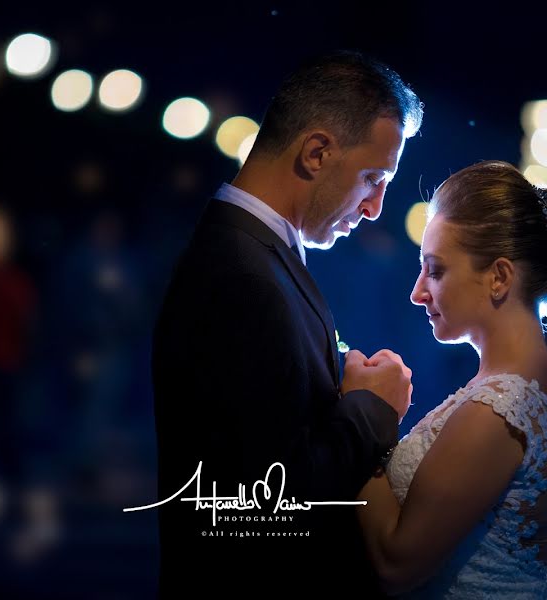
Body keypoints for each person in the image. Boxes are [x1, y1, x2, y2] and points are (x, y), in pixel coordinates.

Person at [151, 51, 423, 597]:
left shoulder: (256, 254)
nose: (375, 207)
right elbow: (264, 506)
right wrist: (372, 407)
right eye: (373, 177)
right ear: (317, 152)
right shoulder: (241, 273)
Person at [356, 161, 547, 598]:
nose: (417, 292)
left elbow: (395, 564)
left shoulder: (497, 410)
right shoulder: (517, 390)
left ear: (498, 277)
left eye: (435, 270)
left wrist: (363, 418)